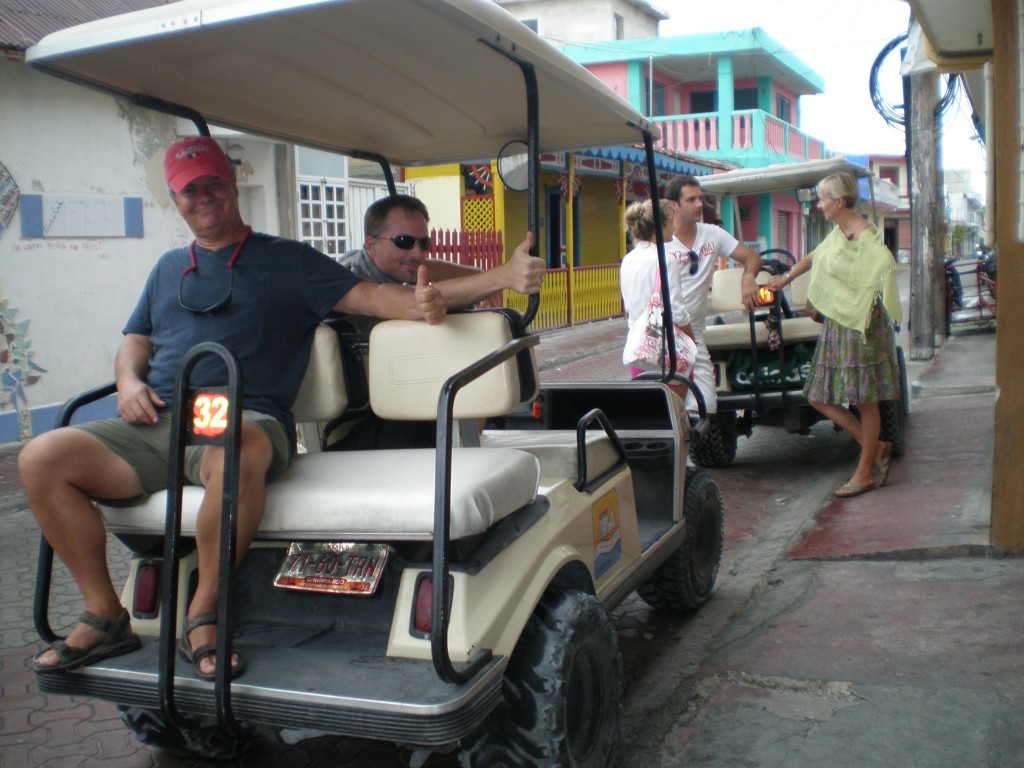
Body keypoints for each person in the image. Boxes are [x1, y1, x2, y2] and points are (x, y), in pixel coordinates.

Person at [19, 136, 445, 679]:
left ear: (232, 183)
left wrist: (481, 285)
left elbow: (378, 298)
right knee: (41, 457)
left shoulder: (287, 259)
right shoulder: (170, 267)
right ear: (176, 200)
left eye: (212, 183)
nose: (203, 197)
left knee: (234, 447)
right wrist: (128, 381)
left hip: (247, 418)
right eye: (189, 190)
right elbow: (136, 340)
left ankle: (205, 611)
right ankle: (105, 616)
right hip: (163, 421)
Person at [765, 172, 901, 498]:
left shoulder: (866, 238)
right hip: (839, 324)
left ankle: (865, 470)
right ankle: (877, 448)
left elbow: (881, 266)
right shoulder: (838, 232)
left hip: (862, 325)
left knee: (863, 401)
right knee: (817, 395)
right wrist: (785, 279)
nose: (818, 204)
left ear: (839, 202)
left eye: (823, 199)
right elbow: (816, 256)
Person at [338, 194, 545, 330]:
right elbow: (417, 301)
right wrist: (505, 275)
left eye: (424, 243)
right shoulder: (353, 279)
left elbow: (422, 267)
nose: (417, 253)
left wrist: (477, 276)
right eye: (404, 241)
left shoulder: (385, 264)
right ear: (372, 246)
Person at [664, 174, 762, 415]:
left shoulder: (712, 234)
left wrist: (747, 277)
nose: (700, 204)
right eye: (691, 200)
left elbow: (751, 257)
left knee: (705, 405)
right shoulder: (661, 241)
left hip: (694, 335)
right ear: (674, 205)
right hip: (664, 335)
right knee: (667, 408)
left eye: (701, 198)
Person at [620, 199, 696, 380]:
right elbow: (676, 311)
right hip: (667, 350)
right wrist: (692, 340)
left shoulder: (628, 260)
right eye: (671, 223)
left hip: (638, 348)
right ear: (660, 227)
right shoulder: (666, 260)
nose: (674, 228)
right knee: (674, 406)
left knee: (649, 406)